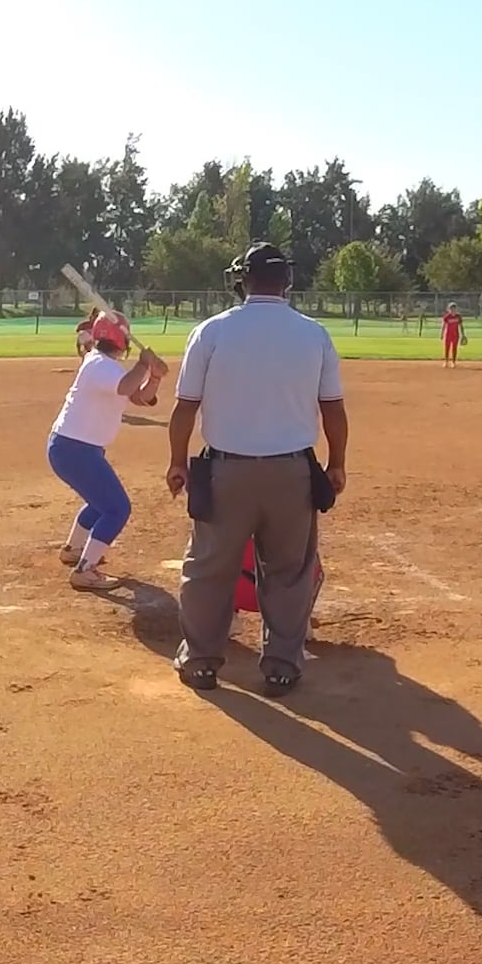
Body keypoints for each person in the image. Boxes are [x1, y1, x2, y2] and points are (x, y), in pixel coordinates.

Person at [166, 241, 348, 696]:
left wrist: (177, 462)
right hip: (293, 474)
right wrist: (337, 464)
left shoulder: (211, 332)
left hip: (226, 472)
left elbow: (185, 408)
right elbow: (333, 410)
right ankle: (282, 666)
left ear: (242, 280)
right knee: (289, 573)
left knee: (209, 570)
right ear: (287, 281)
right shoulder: (314, 334)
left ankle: (201, 662)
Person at [47, 313, 166, 591]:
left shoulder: (105, 365)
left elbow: (140, 397)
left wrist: (155, 377)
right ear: (122, 338)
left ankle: (74, 549)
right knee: (117, 508)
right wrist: (143, 363)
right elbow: (126, 386)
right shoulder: (99, 364)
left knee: (99, 503)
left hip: (74, 448)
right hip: (75, 449)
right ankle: (85, 570)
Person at [441, 302, 464, 367]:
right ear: (448, 309)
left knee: (454, 348)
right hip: (448, 334)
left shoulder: (458, 316)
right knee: (447, 348)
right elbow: (443, 326)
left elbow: (461, 326)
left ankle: (453, 362)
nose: (452, 309)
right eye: (451, 308)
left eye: (454, 308)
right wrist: (442, 334)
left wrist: (463, 334)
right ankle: (446, 361)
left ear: (456, 309)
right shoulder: (447, 317)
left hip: (455, 335)